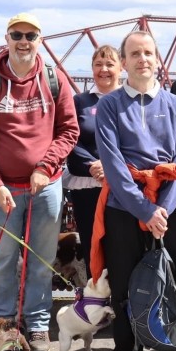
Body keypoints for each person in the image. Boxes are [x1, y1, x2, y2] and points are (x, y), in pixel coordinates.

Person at [93, 30, 176, 351]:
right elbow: (112, 165)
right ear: (123, 62)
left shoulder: (175, 105)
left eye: (149, 53)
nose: (143, 59)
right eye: (135, 54)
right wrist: (144, 210)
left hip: (167, 207)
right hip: (125, 208)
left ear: (158, 60)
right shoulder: (110, 105)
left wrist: (162, 209)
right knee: (124, 285)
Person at [0, 12, 79, 351]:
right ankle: (2, 325)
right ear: (7, 38)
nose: (23, 42)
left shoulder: (54, 79)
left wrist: (46, 167)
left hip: (46, 187)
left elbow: (69, 131)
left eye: (30, 36)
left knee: (40, 260)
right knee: (2, 259)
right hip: (1, 190)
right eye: (17, 35)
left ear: (40, 40)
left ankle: (37, 324)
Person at [63, 44, 121, 275]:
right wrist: (93, 166)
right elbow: (70, 139)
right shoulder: (79, 101)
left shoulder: (129, 101)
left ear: (121, 67)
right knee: (91, 244)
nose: (103, 69)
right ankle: (96, 300)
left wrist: (110, 167)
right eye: (98, 64)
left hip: (120, 184)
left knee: (120, 244)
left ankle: (120, 302)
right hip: (87, 184)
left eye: (110, 64)